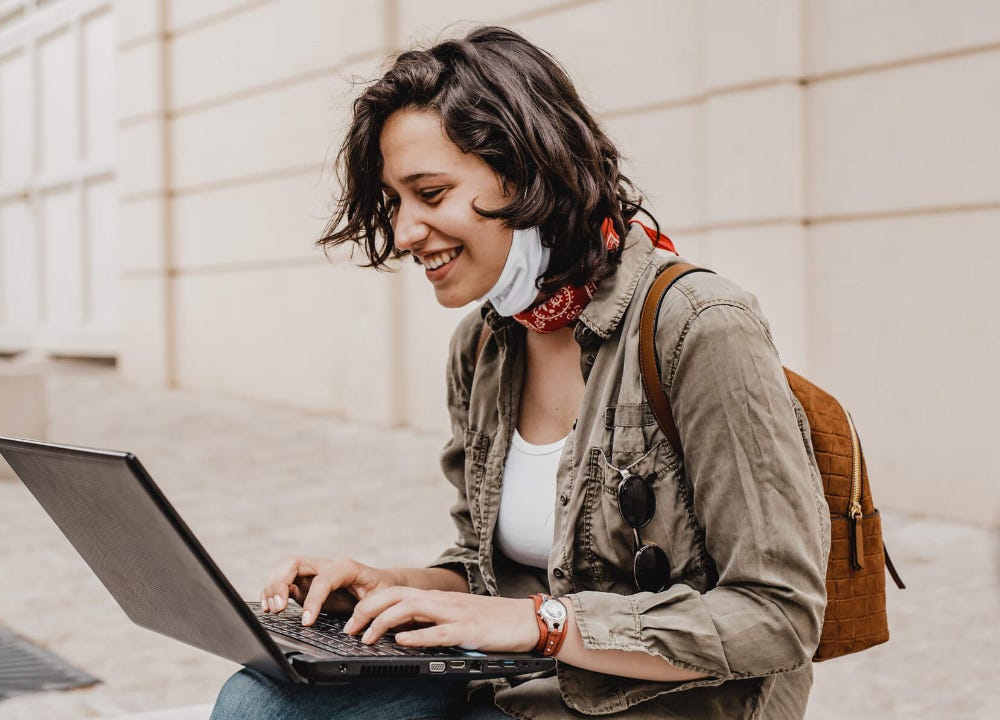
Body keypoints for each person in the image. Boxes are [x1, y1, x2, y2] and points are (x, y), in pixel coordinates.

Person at [211, 25, 829, 720]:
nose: (408, 230)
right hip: (518, 688)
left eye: (431, 192)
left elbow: (778, 615)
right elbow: (491, 574)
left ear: (529, 173)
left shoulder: (700, 326)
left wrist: (547, 624)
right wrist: (391, 583)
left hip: (668, 704)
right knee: (259, 701)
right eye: (395, 202)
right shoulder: (483, 345)